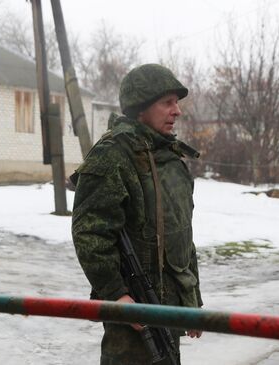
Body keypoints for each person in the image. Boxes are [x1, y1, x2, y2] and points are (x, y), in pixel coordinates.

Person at [71, 64, 203, 365]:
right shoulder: (114, 153)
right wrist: (116, 295)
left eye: (177, 102)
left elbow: (182, 238)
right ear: (141, 107)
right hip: (134, 310)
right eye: (167, 102)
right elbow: (90, 231)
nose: (177, 111)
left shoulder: (170, 160)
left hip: (169, 309)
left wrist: (191, 301)